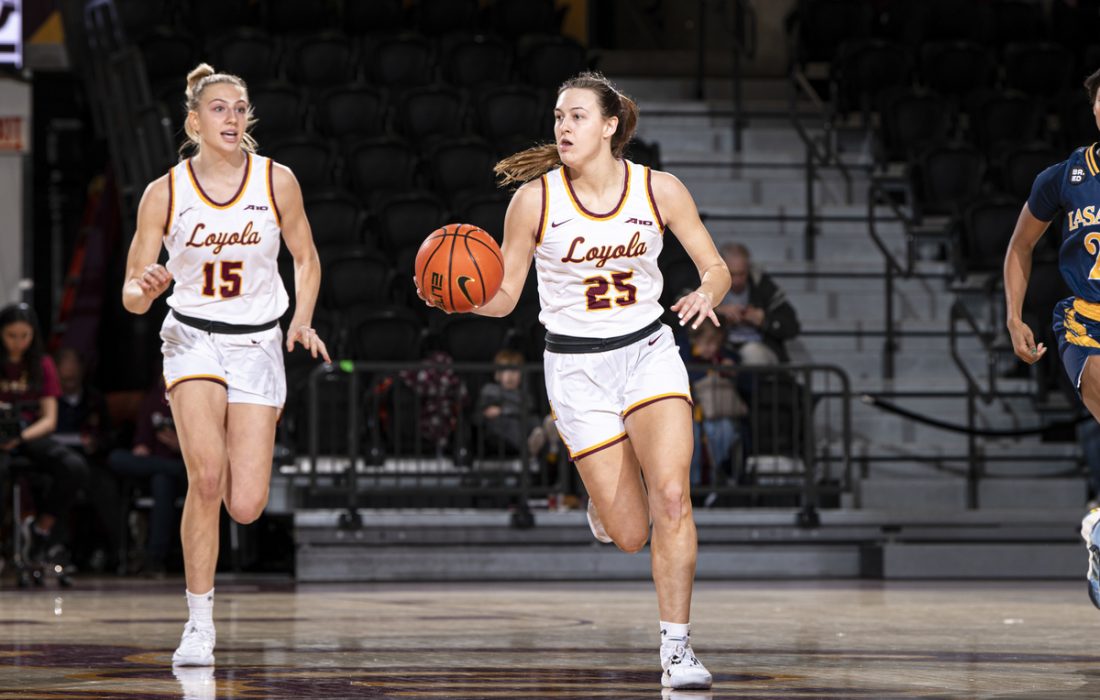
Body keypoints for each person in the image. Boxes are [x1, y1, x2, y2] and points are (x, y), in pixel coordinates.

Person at [422, 71, 730, 690]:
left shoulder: (659, 190)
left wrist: (704, 292)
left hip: (648, 352)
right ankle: (603, 502)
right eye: (558, 117)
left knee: (672, 497)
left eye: (577, 116)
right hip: (574, 368)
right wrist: (459, 300)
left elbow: (716, 265)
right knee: (630, 534)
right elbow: (506, 295)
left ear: (610, 125)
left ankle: (677, 650)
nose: (563, 127)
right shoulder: (533, 200)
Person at [121, 63, 329, 667]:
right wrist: (150, 285)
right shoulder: (164, 191)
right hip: (192, 340)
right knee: (205, 479)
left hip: (259, 344)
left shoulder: (276, 180)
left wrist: (301, 319)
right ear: (194, 120)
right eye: (219, 108)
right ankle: (199, 623)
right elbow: (130, 297)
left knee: (246, 503)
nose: (232, 117)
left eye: (240, 108)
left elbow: (307, 259)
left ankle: (205, 605)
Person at [1004, 66, 1100, 611]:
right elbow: (1020, 247)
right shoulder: (1065, 177)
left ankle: (1098, 529)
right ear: (1095, 110)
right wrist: (1014, 316)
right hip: (1086, 322)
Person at [0, 304, 90, 566]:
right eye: (11, 336)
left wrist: (22, 436)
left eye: (24, 336)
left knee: (73, 467)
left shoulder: (43, 364)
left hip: (29, 434)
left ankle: (41, 529)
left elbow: (50, 419)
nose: (18, 343)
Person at [108, 375, 187, 577]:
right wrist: (141, 447)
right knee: (117, 458)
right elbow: (142, 438)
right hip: (153, 466)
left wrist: (180, 445)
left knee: (163, 481)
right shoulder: (152, 398)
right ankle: (153, 559)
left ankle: (154, 558)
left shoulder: (192, 396)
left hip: (186, 469)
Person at [681, 321, 744, 487]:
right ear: (695, 340)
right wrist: (708, 371)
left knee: (724, 430)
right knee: (689, 437)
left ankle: (717, 477)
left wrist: (730, 368)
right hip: (688, 414)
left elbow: (743, 372)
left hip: (716, 413)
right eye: (708, 342)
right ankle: (692, 485)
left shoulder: (723, 356)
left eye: (716, 343)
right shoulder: (683, 355)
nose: (713, 348)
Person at [715, 242, 800, 365]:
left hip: (760, 349)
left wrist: (762, 319)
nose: (737, 281)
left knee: (752, 353)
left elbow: (792, 327)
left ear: (748, 268)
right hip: (719, 349)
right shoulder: (708, 284)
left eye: (741, 274)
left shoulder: (762, 286)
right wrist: (717, 312)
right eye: (732, 274)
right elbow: (681, 319)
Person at [474, 348, 553, 457]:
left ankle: (546, 436)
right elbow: (479, 415)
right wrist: (493, 412)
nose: (510, 375)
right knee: (510, 424)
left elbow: (528, 409)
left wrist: (503, 410)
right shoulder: (490, 391)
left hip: (522, 428)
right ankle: (532, 447)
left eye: (515, 370)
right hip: (499, 435)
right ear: (497, 374)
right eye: (506, 370)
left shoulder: (524, 396)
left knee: (534, 421)